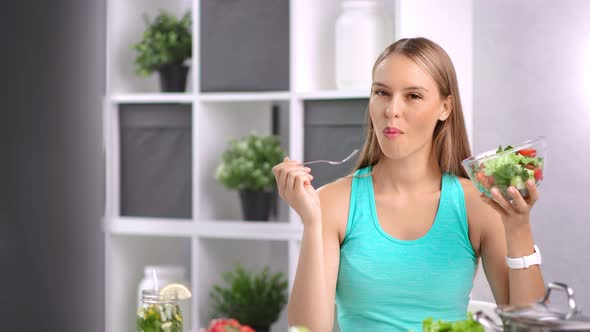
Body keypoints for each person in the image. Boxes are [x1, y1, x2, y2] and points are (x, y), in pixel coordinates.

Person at [272, 37, 545, 331]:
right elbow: (307, 330)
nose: (392, 110)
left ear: (444, 107)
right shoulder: (332, 203)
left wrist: (518, 228)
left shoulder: (477, 204)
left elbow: (529, 328)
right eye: (382, 92)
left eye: (413, 96)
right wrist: (312, 223)